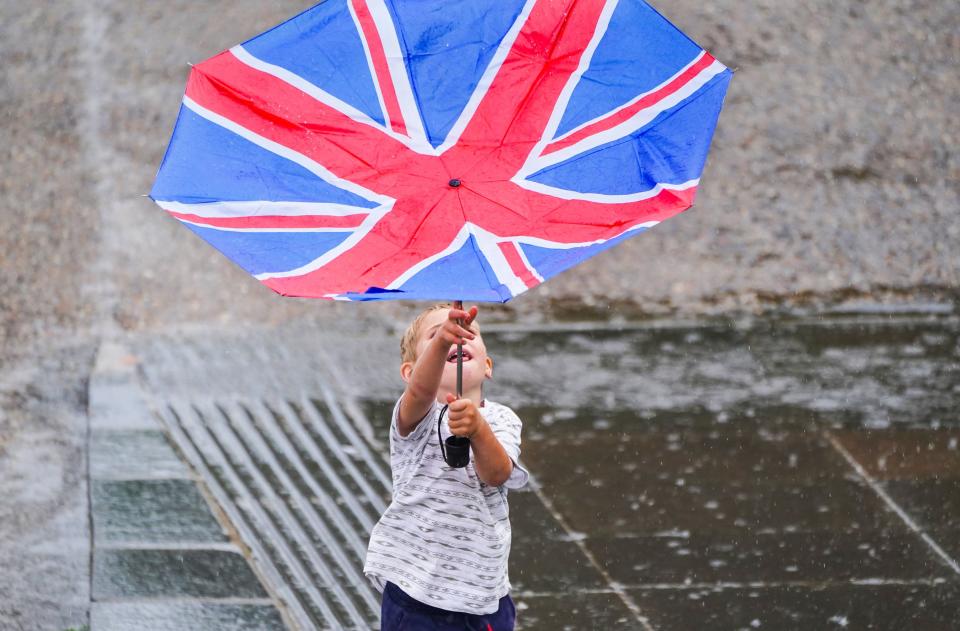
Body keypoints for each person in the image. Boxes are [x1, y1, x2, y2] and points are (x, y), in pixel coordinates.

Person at [364, 303, 529, 630]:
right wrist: (443, 342)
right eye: (437, 335)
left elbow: (497, 473)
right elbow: (421, 392)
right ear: (410, 372)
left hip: (485, 595)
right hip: (417, 596)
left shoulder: (501, 420)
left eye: (469, 333)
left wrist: (478, 429)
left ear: (488, 367)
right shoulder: (416, 418)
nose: (457, 339)